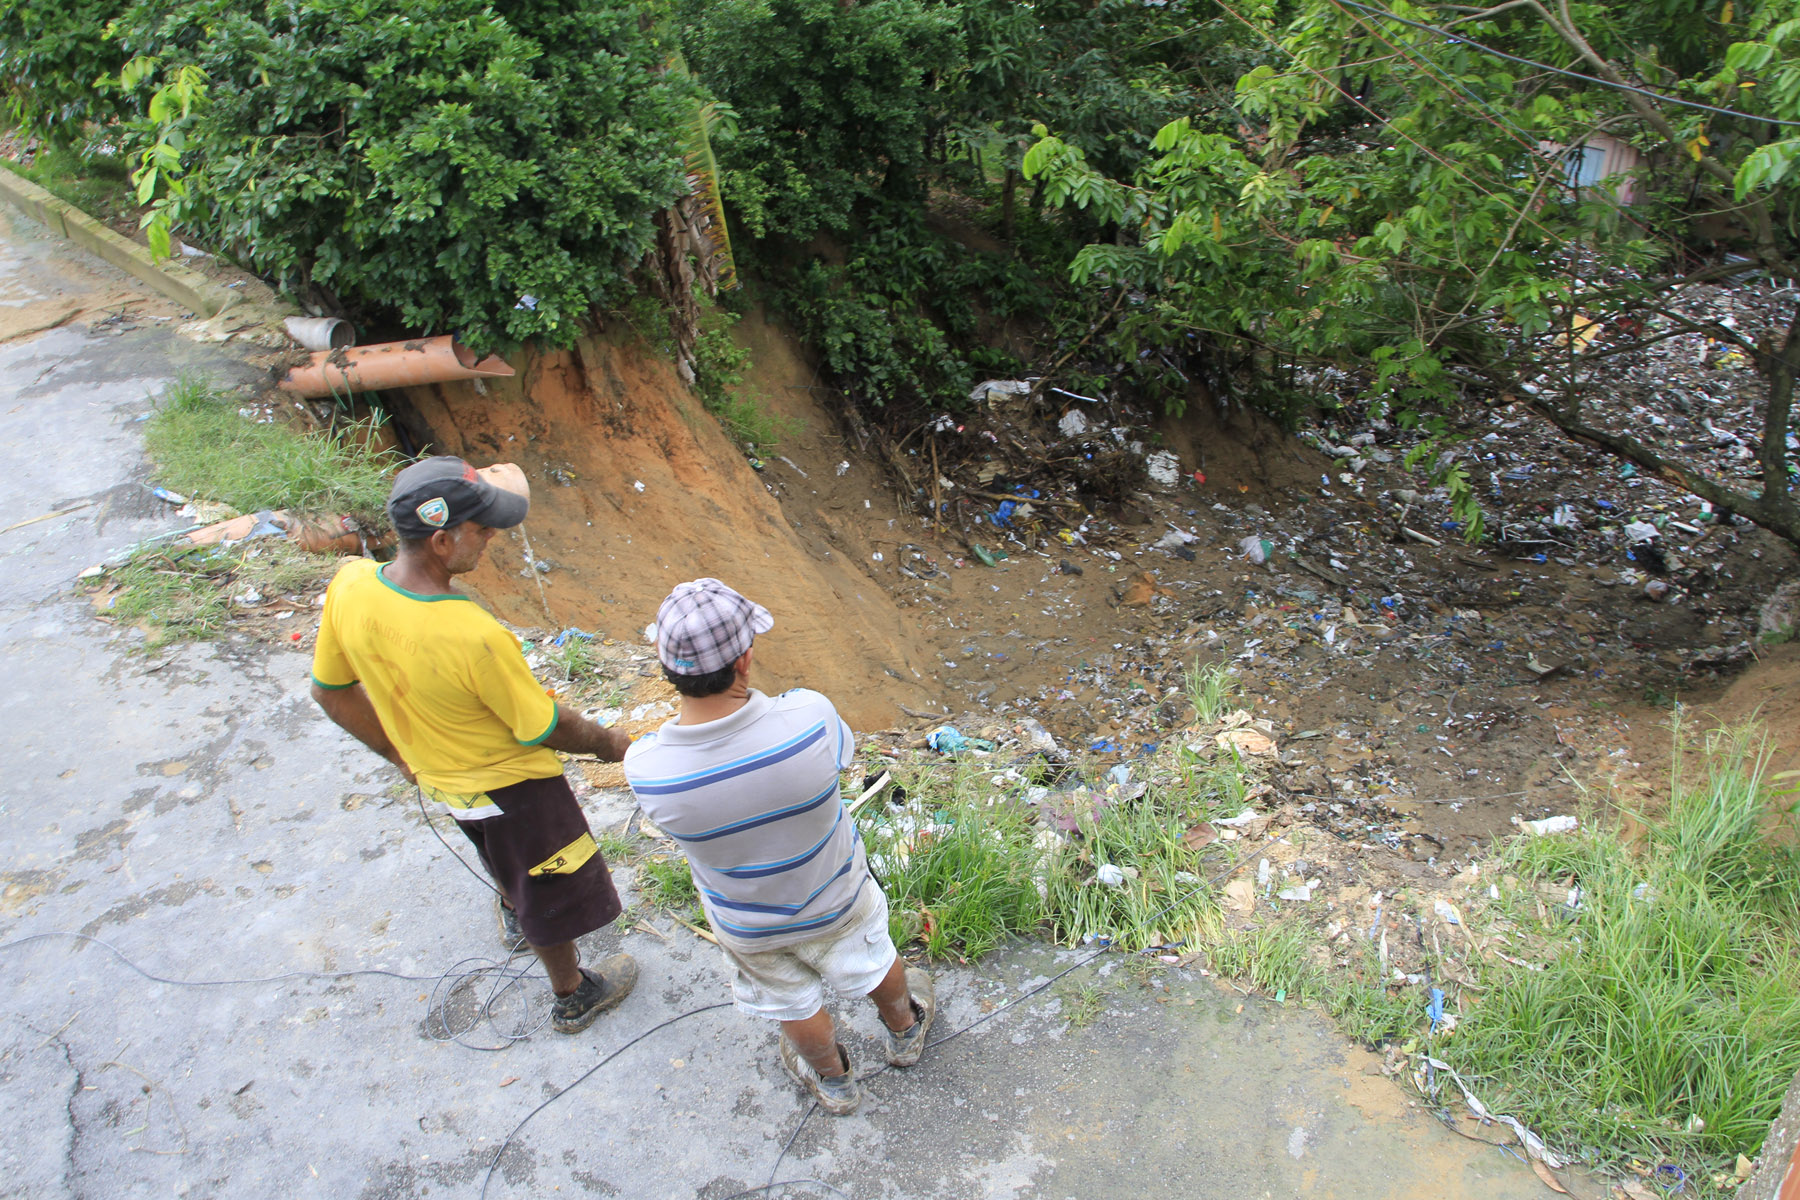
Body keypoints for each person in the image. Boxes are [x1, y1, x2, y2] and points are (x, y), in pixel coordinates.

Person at [310, 455, 637, 1034]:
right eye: (481, 529)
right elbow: (543, 727)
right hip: (517, 792)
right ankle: (571, 991)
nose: (490, 539)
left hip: (441, 781)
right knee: (550, 887)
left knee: (498, 855)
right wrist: (611, 743)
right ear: (441, 541)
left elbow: (330, 692)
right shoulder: (472, 635)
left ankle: (513, 907)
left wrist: (398, 756)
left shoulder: (351, 585)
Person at [622, 579, 934, 1115]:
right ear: (744, 659)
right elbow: (843, 754)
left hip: (749, 926)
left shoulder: (648, 769)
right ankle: (904, 1031)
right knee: (875, 961)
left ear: (668, 670)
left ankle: (835, 1082)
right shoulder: (807, 717)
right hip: (838, 899)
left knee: (790, 1003)